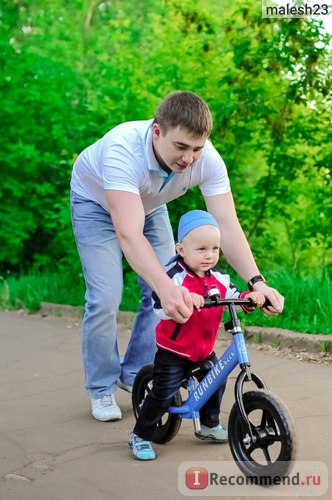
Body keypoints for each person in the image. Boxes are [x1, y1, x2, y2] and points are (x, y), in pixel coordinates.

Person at [70, 90, 284, 422]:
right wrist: (167, 289)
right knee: (106, 297)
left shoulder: (207, 159)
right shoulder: (122, 151)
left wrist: (257, 281)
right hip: (94, 205)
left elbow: (226, 225)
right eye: (180, 147)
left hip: (150, 205)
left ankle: (135, 374)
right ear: (157, 132)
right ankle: (101, 389)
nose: (188, 159)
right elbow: (129, 233)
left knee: (167, 289)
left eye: (196, 149)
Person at [129, 210, 266, 460]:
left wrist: (250, 298)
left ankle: (208, 424)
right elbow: (159, 305)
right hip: (174, 350)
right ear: (181, 249)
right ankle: (141, 434)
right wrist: (182, 297)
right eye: (201, 249)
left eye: (215, 248)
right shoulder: (174, 275)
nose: (209, 255)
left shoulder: (219, 278)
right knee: (163, 392)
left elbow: (234, 296)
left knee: (217, 381)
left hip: (203, 349)